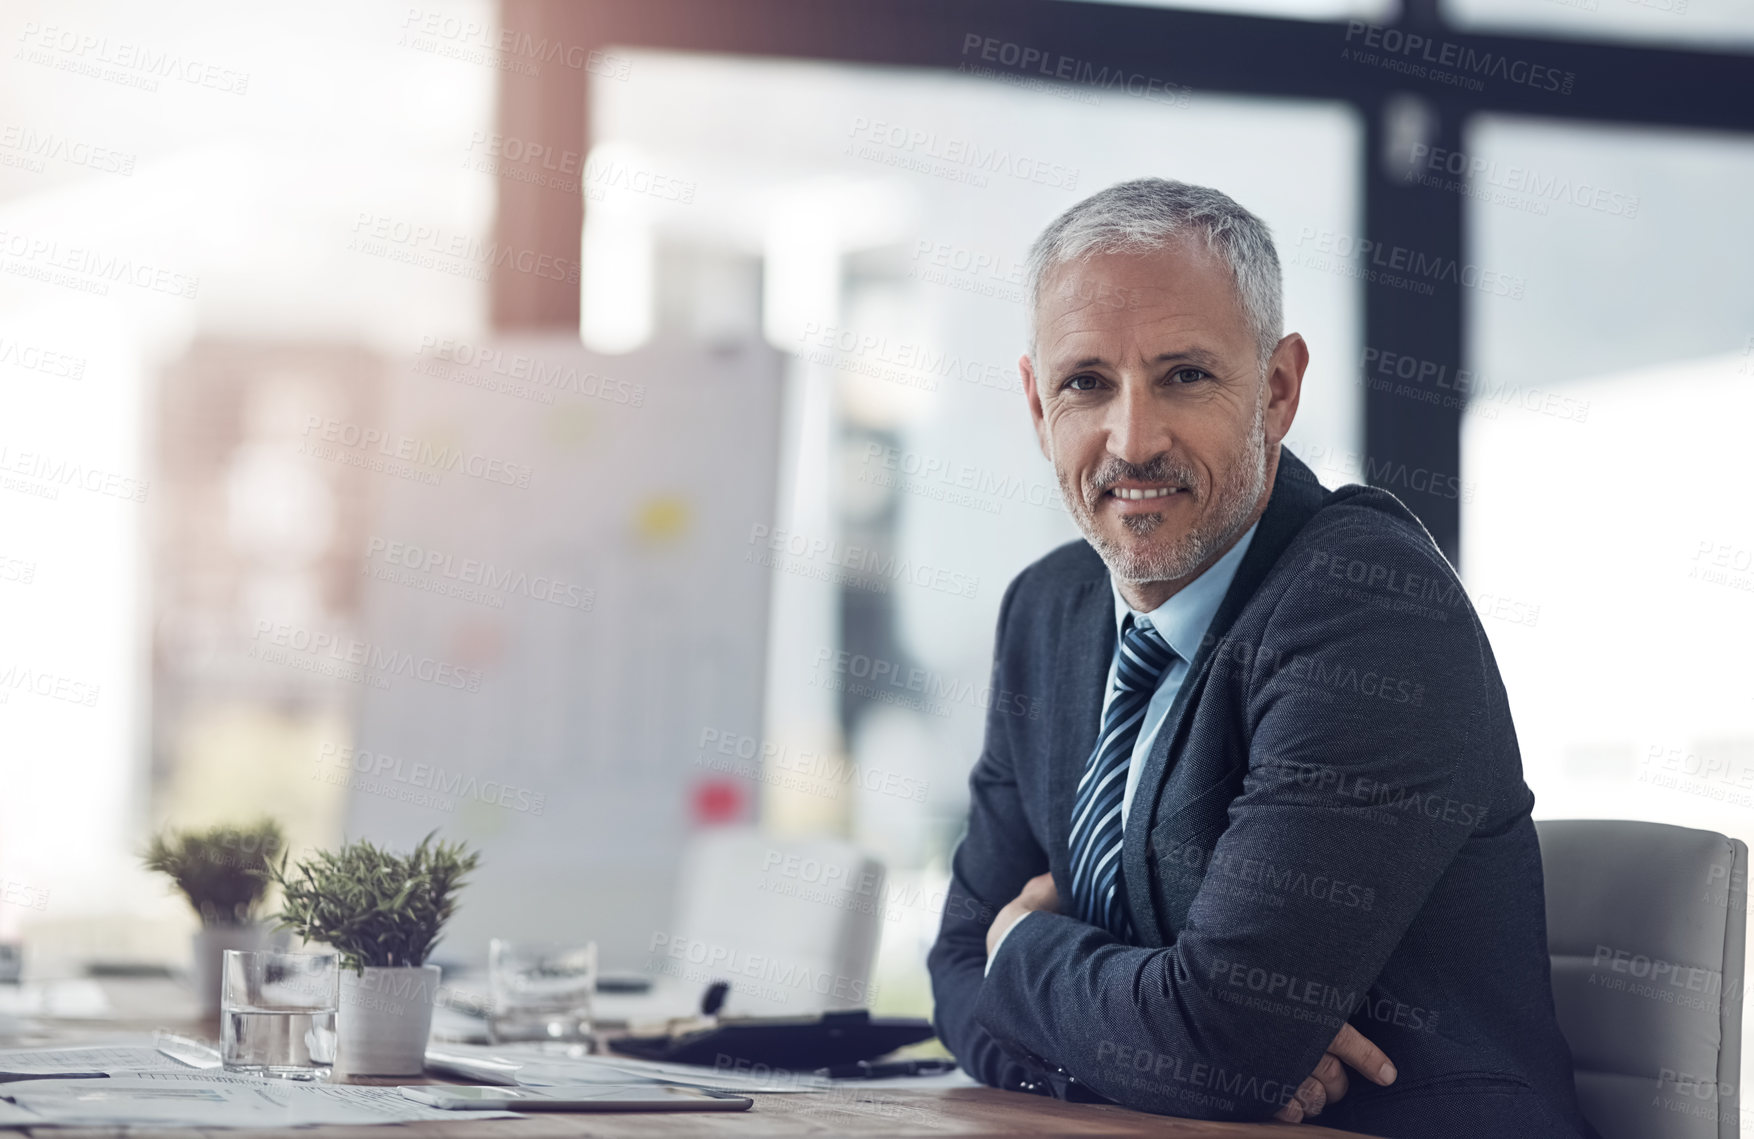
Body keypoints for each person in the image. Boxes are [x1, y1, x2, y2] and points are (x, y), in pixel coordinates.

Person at [926, 177, 1599, 1139]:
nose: (1133, 438)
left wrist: (1024, 946)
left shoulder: (1369, 606)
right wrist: (1134, 1059)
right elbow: (955, 975)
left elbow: (1216, 1040)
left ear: (1277, 389)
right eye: (1087, 383)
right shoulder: (1048, 612)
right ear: (1038, 406)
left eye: (1185, 376)